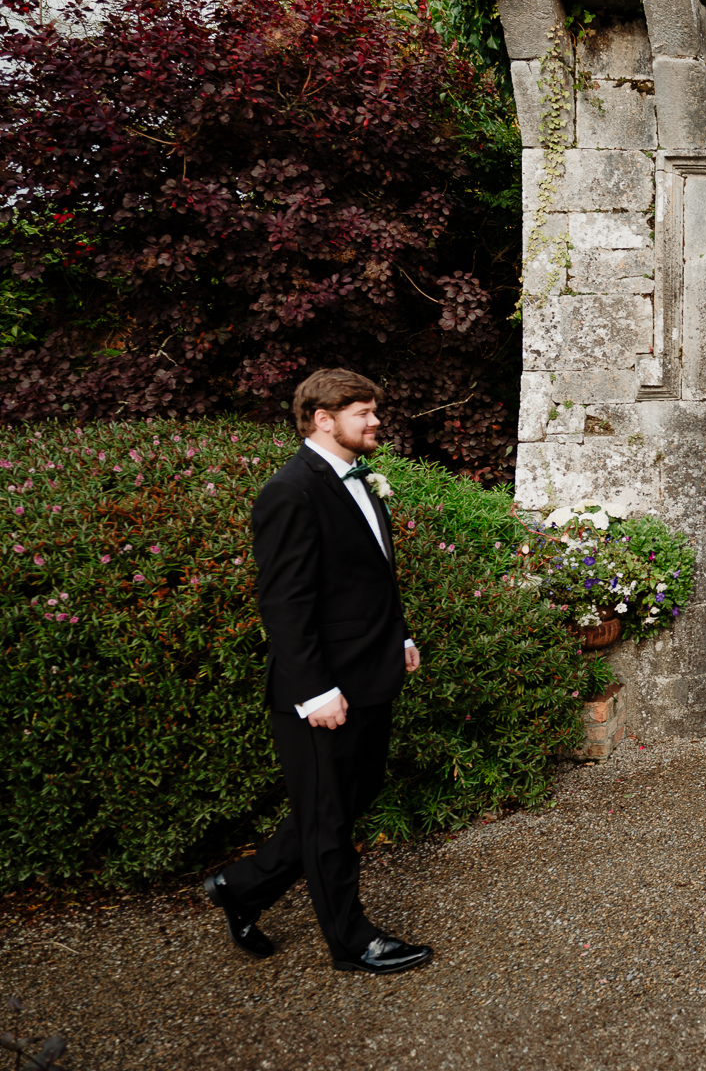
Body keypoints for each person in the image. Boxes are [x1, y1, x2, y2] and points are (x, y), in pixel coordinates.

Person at [203, 369, 433, 975]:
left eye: (374, 409)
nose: (376, 421)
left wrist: (400, 635)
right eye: (363, 412)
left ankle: (242, 887)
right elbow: (285, 603)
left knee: (351, 796)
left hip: (369, 671)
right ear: (323, 419)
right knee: (328, 819)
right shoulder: (290, 490)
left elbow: (371, 575)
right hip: (321, 689)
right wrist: (314, 691)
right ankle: (351, 942)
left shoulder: (360, 480)